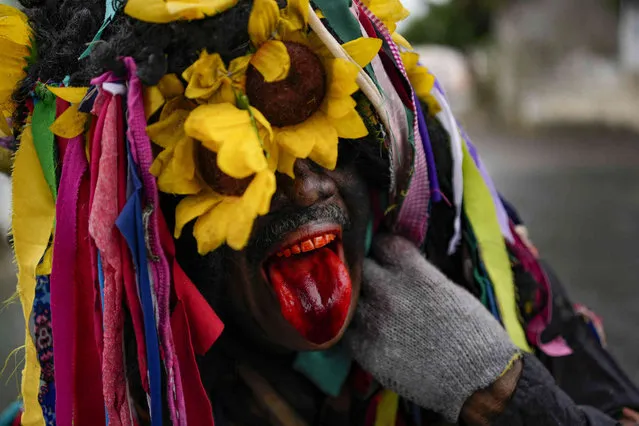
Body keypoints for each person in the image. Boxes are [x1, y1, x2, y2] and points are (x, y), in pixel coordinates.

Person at [2, 0, 639, 425]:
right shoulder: (120, 402)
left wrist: (502, 392)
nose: (304, 192)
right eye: (221, 164)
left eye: (299, 109)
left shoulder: (499, 291)